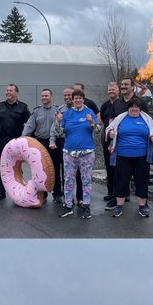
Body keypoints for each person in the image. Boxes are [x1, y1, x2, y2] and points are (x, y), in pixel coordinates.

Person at [52, 89, 100, 219]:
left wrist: (91, 122)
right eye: (75, 98)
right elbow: (59, 133)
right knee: (68, 180)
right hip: (69, 153)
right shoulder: (67, 114)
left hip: (87, 153)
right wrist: (58, 121)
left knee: (86, 180)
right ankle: (68, 206)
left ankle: (86, 206)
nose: (78, 100)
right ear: (72, 100)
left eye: (80, 98)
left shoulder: (89, 112)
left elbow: (98, 131)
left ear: (83, 99)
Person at [107, 98, 153, 218]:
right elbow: (109, 129)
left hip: (142, 156)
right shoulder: (121, 118)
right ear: (128, 108)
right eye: (132, 107)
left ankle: (142, 206)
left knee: (142, 181)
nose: (134, 109)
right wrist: (111, 134)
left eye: (136, 107)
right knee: (121, 181)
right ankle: (119, 206)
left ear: (140, 108)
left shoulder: (146, 119)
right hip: (123, 156)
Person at [0, 83, 30, 201]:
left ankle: (20, 191)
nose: (8, 92)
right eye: (7, 90)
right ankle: (0, 191)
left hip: (16, 142)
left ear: (16, 93)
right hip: (1, 140)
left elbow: (29, 124)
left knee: (17, 166)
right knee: (1, 165)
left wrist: (27, 138)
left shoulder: (23, 107)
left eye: (10, 90)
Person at [22, 89, 61, 202]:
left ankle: (57, 193)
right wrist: (23, 137)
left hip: (55, 143)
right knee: (41, 170)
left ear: (51, 97)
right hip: (41, 143)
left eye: (46, 95)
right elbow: (29, 125)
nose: (44, 97)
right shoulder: (37, 111)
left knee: (55, 168)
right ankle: (42, 195)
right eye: (43, 96)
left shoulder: (57, 110)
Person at [99, 81, 120, 207]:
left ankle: (121, 193)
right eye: (109, 89)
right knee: (109, 166)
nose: (111, 91)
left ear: (118, 91)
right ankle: (110, 192)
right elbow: (102, 119)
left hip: (119, 141)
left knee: (119, 168)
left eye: (113, 89)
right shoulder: (105, 106)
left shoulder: (122, 104)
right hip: (107, 141)